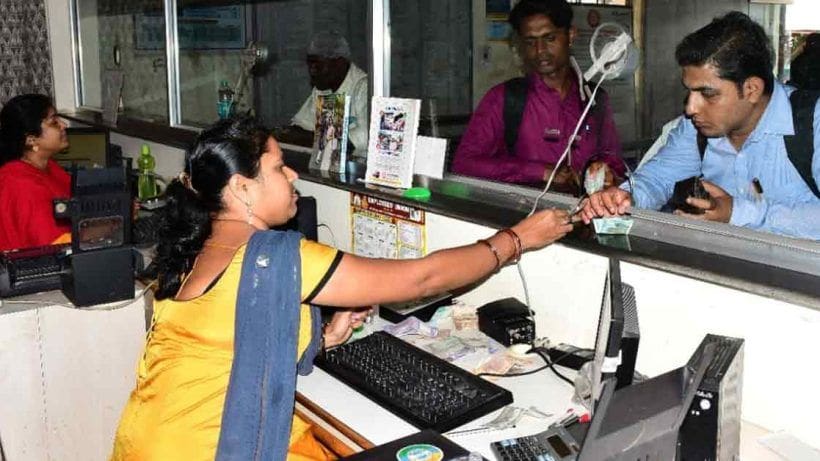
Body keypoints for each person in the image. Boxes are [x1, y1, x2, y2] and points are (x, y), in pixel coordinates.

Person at [110, 116, 573, 460]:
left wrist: (325, 336)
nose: (293, 176)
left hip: (145, 438)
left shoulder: (194, 245)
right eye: (278, 168)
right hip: (205, 446)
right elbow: (422, 277)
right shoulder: (275, 254)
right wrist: (515, 240)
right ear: (242, 189)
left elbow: (221, 342)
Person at [580, 12, 820, 240]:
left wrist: (737, 212)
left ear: (751, 89)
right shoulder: (696, 128)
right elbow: (658, 179)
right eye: (690, 91)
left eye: (707, 93)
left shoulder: (813, 124)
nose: (691, 108)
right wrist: (625, 196)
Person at [451, 0, 625, 190]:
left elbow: (613, 160)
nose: (540, 50)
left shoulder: (595, 99)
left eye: (549, 38)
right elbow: (464, 164)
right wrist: (538, 171)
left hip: (585, 214)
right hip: (527, 215)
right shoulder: (505, 99)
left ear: (570, 35)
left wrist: (608, 173)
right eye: (530, 42)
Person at [277, 30, 368, 157]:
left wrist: (319, 139)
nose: (312, 72)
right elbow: (302, 125)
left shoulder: (363, 86)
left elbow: (366, 136)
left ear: (339, 63)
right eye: (310, 65)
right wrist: (282, 132)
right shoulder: (323, 88)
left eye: (318, 66)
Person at [0, 94, 71, 251]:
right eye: (54, 122)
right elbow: (59, 245)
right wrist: (114, 224)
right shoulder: (21, 184)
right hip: (37, 270)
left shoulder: (49, 167)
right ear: (31, 139)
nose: (64, 125)